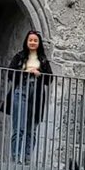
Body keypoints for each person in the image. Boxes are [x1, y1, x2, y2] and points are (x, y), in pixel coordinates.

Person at [6, 30, 53, 163]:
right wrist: (25, 71)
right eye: (30, 40)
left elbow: (50, 79)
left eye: (35, 40)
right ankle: (16, 158)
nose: (32, 42)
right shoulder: (19, 57)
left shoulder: (43, 60)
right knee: (19, 128)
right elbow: (10, 73)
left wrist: (40, 74)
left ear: (39, 43)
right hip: (21, 90)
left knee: (31, 130)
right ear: (26, 42)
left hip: (37, 94)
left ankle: (27, 158)